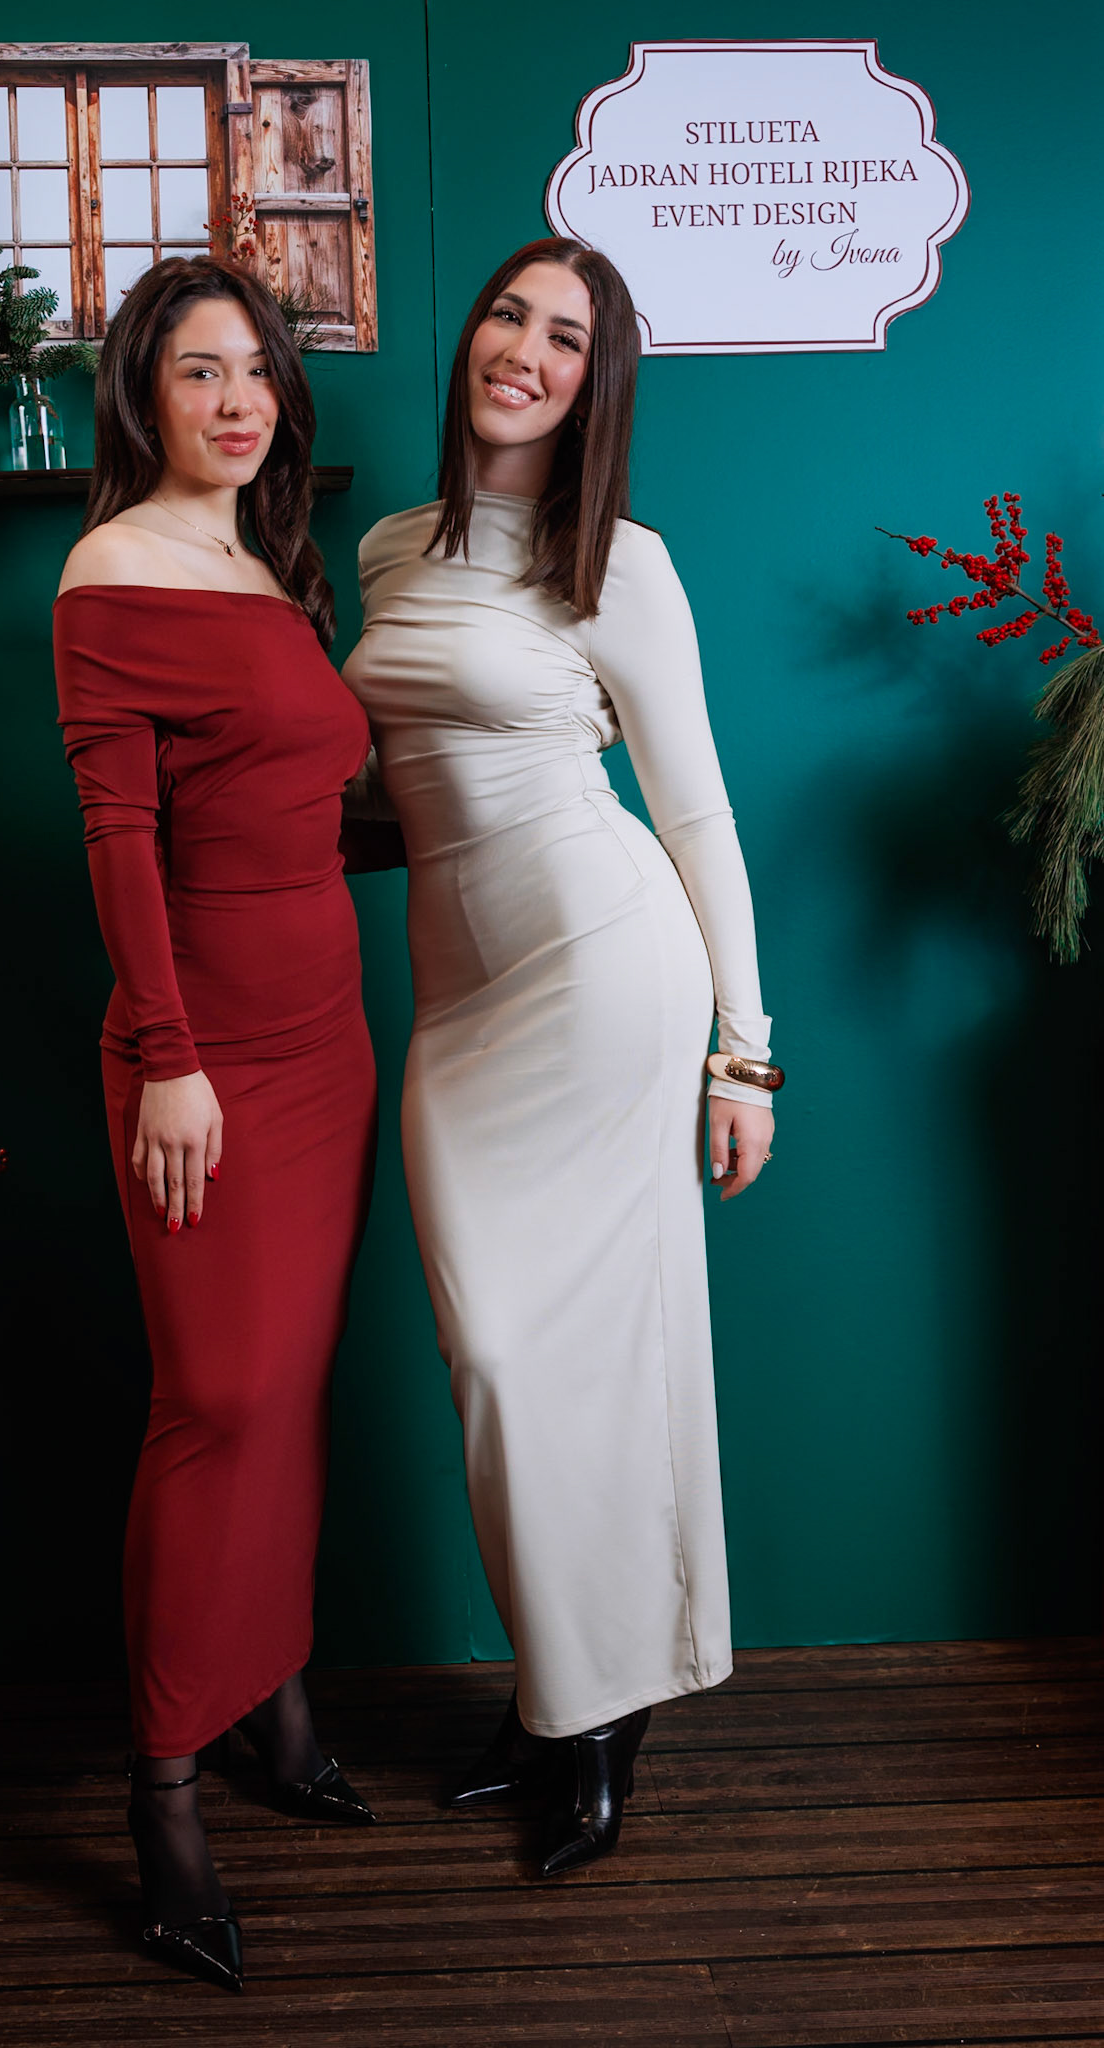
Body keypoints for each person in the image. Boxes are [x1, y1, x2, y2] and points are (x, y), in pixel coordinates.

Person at [342, 237, 781, 1879]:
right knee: (497, 1365)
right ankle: (559, 1693)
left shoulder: (619, 562)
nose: (524, 351)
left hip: (601, 965)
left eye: (567, 338)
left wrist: (745, 1055)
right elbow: (397, 783)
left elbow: (695, 811)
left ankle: (594, 1720)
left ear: (598, 385)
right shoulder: (388, 546)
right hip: (459, 1000)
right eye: (508, 316)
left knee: (590, 1358)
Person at [54, 256, 379, 1994]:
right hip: (204, 1060)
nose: (236, 400)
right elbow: (120, 836)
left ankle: (276, 1693)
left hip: (328, 1046)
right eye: (199, 371)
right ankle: (165, 1787)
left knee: (289, 1389)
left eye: (254, 369)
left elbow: (303, 806)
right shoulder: (113, 570)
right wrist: (169, 1054)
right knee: (218, 1400)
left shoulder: (268, 563)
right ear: (144, 394)